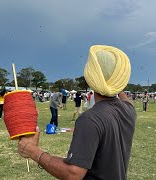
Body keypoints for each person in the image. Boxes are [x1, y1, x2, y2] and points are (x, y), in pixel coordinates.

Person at [18, 45, 136, 179]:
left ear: (91, 77)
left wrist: (34, 152)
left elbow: (73, 173)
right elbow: (126, 100)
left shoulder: (90, 119)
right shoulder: (129, 110)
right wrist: (113, 83)